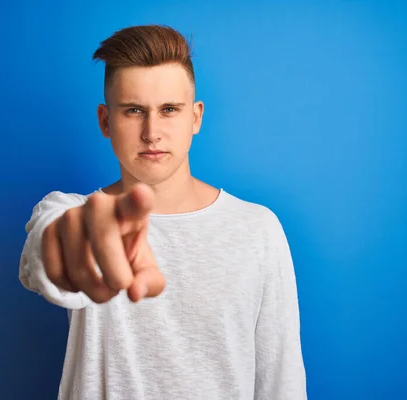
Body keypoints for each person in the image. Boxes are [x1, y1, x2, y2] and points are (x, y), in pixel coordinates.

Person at [19, 24, 307, 400]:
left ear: (196, 117)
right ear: (106, 121)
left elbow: (280, 380)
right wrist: (74, 242)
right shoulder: (70, 211)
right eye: (134, 111)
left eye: (169, 109)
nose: (151, 132)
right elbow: (48, 248)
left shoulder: (257, 229)